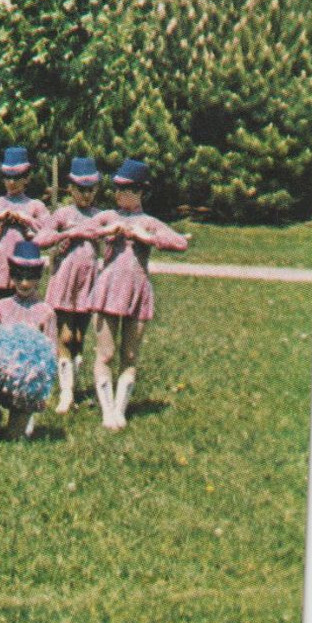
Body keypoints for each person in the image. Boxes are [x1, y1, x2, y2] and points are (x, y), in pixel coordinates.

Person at [88, 159, 189, 431]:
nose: (120, 195)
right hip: (107, 290)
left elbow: (180, 243)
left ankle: (120, 410)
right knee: (105, 353)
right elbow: (81, 229)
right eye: (118, 189)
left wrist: (148, 237)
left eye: (128, 190)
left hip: (137, 291)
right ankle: (107, 411)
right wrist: (104, 231)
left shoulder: (148, 222)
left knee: (130, 355)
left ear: (141, 192)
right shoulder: (109, 217)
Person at [35, 156, 105, 415]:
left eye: (90, 189)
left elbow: (112, 238)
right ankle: (65, 393)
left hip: (88, 281)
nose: (85, 195)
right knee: (64, 335)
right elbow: (42, 238)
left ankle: (72, 385)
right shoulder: (64, 214)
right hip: (65, 279)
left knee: (78, 336)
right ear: (71, 188)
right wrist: (68, 234)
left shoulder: (100, 216)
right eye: (80, 189)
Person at [0, 240, 59, 440]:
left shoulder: (45, 312)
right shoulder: (0, 307)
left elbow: (50, 351)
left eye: (30, 278)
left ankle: (19, 423)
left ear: (39, 278)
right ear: (11, 277)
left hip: (26, 380)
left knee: (13, 438)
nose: (24, 283)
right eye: (18, 277)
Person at [0, 146, 50, 301]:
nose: (11, 182)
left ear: (26, 178)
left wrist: (27, 220)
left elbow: (49, 232)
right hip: (0, 268)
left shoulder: (34, 205)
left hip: (25, 271)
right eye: (7, 177)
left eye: (17, 177)